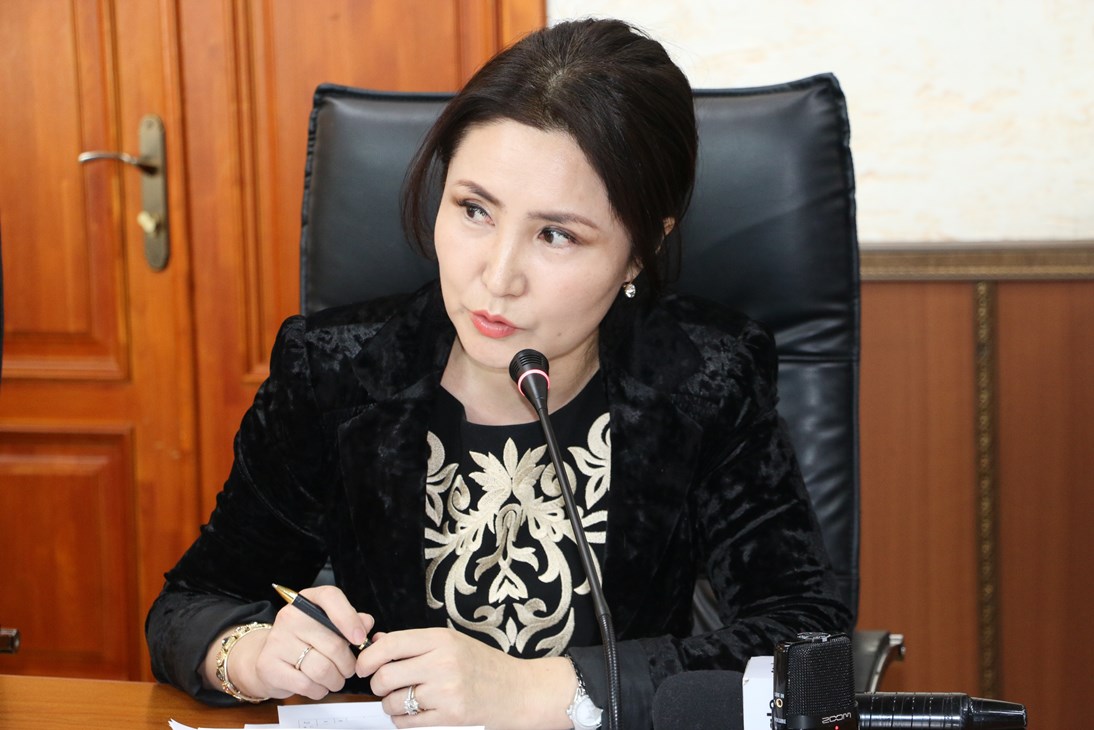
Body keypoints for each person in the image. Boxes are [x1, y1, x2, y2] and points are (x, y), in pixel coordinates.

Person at [146, 17, 852, 730]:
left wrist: (558, 689)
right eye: (475, 209)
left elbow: (808, 643)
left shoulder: (705, 379)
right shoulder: (336, 372)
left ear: (641, 250)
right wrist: (250, 653)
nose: (497, 276)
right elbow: (191, 604)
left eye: (556, 234)